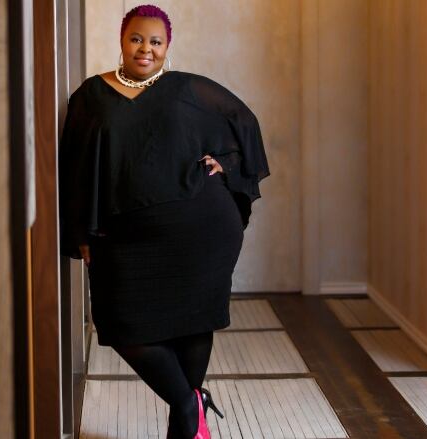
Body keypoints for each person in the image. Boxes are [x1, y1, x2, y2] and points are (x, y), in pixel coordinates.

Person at [58, 4, 270, 438]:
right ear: (122, 39)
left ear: (166, 46)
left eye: (155, 41)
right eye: (137, 38)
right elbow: (73, 167)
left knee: (194, 320)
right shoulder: (91, 95)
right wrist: (80, 231)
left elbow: (243, 122)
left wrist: (225, 162)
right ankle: (190, 401)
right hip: (122, 236)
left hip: (200, 228)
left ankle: (185, 425)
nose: (145, 48)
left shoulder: (185, 89)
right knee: (120, 326)